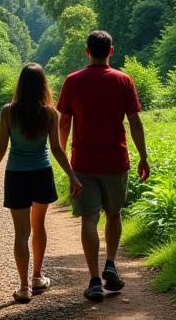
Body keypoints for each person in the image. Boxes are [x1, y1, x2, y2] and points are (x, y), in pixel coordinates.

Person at [57, 29, 150, 302]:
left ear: (87, 51)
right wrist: (143, 156)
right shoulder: (123, 80)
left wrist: (62, 154)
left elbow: (64, 122)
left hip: (83, 162)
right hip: (116, 161)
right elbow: (134, 121)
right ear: (111, 51)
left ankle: (95, 280)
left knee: (89, 218)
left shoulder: (72, 81)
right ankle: (110, 262)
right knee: (114, 213)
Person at [0, 63, 82, 303]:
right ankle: (37, 276)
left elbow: (2, 146)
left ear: (20, 84)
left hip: (17, 174)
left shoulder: (8, 111)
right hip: (41, 173)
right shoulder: (50, 112)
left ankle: (24, 286)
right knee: (39, 225)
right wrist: (72, 175)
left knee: (20, 232)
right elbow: (57, 149)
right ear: (43, 85)